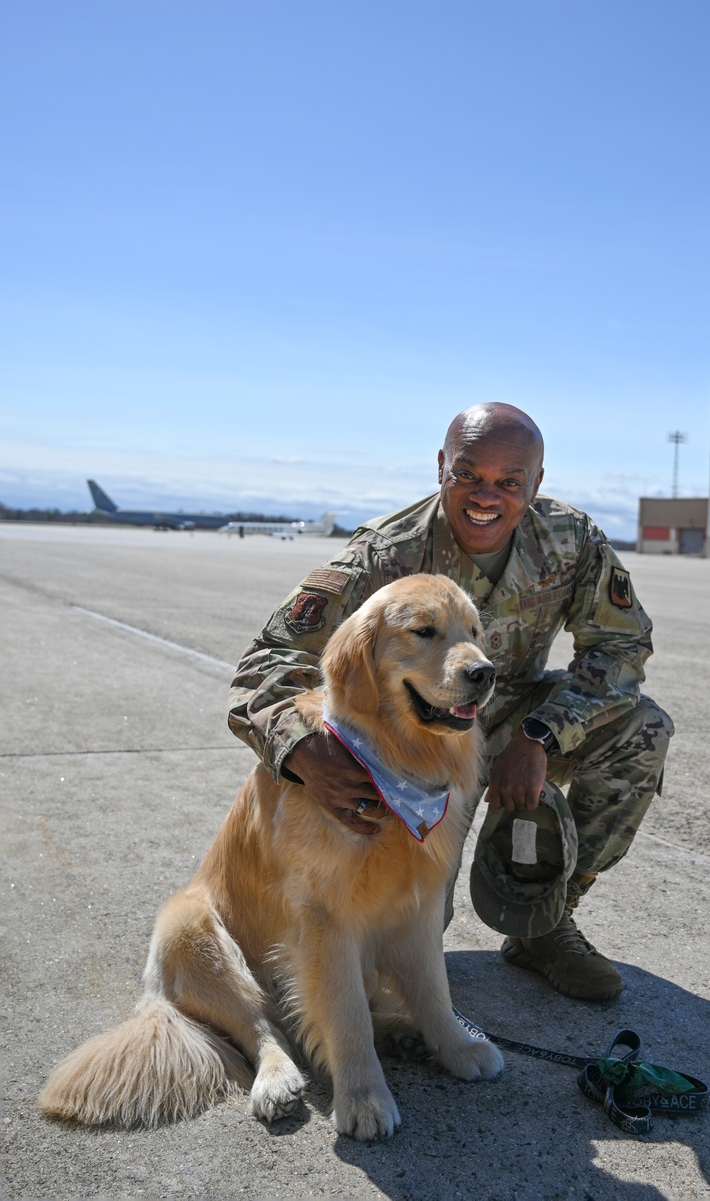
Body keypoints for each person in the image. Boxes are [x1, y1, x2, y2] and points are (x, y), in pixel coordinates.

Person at [228, 402, 672, 1001]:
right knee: (402, 955)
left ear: (536, 483)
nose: (486, 495)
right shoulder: (385, 554)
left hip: (512, 719)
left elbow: (622, 645)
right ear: (441, 466)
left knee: (643, 729)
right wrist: (307, 755)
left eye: (509, 481)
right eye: (467, 474)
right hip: (408, 747)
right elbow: (269, 659)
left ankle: (546, 919)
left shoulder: (570, 540)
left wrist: (542, 735)